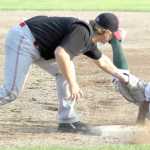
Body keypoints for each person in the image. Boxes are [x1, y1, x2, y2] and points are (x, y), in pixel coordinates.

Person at [0, 12, 129, 132]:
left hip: (37, 43)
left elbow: (101, 60)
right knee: (10, 91)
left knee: (66, 70)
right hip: (24, 40)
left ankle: (67, 121)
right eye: (112, 34)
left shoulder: (89, 38)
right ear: (106, 32)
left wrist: (121, 76)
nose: (112, 37)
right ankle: (67, 119)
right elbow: (61, 53)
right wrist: (73, 84)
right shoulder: (82, 32)